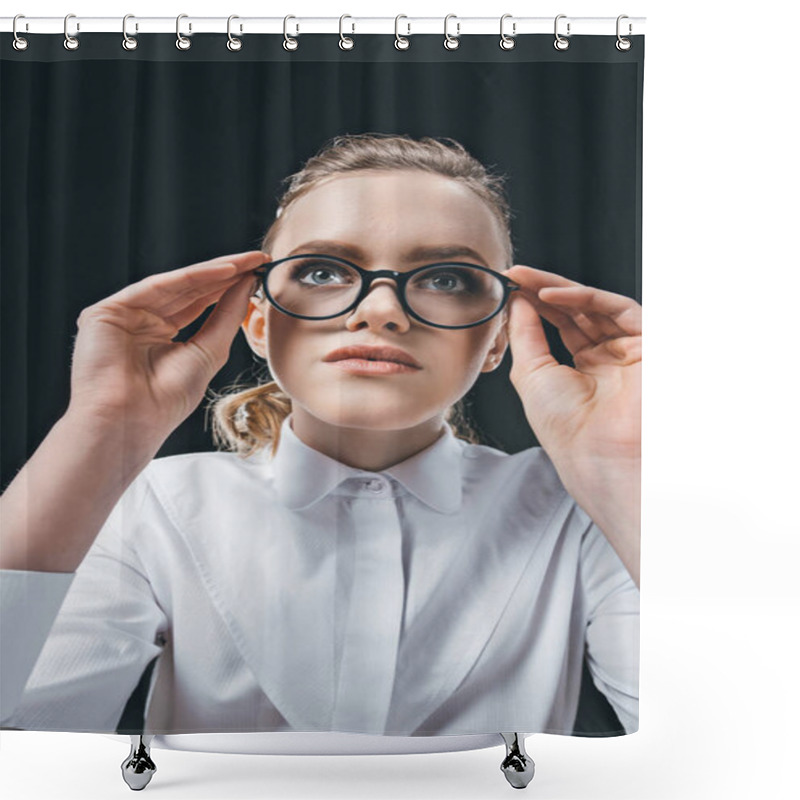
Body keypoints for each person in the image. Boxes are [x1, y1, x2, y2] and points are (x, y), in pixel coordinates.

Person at [0, 133, 640, 739]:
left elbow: (719, 746)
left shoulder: (579, 512)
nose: (381, 311)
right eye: (323, 272)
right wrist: (98, 430)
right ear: (255, 320)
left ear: (497, 335)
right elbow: (18, 748)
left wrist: (624, 471)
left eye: (446, 278)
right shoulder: (156, 504)